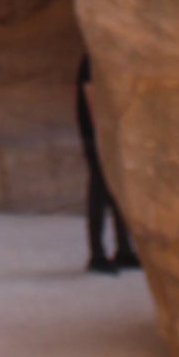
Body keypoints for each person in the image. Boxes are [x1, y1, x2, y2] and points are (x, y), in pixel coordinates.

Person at [76, 53, 140, 273]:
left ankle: (124, 249)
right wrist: (103, 136)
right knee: (100, 191)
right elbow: (91, 97)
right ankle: (97, 254)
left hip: (111, 134)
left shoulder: (103, 57)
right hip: (99, 136)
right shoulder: (93, 59)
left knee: (119, 191)